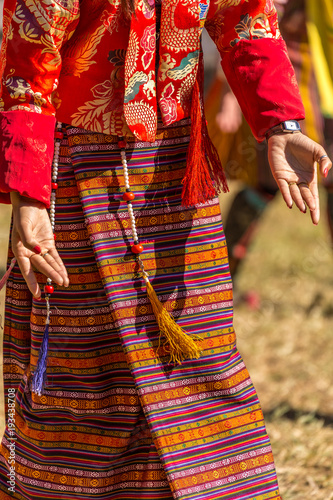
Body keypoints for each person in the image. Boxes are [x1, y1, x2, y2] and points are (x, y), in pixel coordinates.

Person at [0, 1, 331, 499]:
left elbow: (247, 21)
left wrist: (281, 123)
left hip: (175, 165)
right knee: (84, 365)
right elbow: (29, 60)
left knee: (201, 355)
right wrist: (29, 199)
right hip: (73, 166)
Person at [206, 0, 333, 283]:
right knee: (264, 186)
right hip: (283, 100)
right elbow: (244, 22)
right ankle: (224, 278)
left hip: (322, 96)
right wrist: (231, 95)